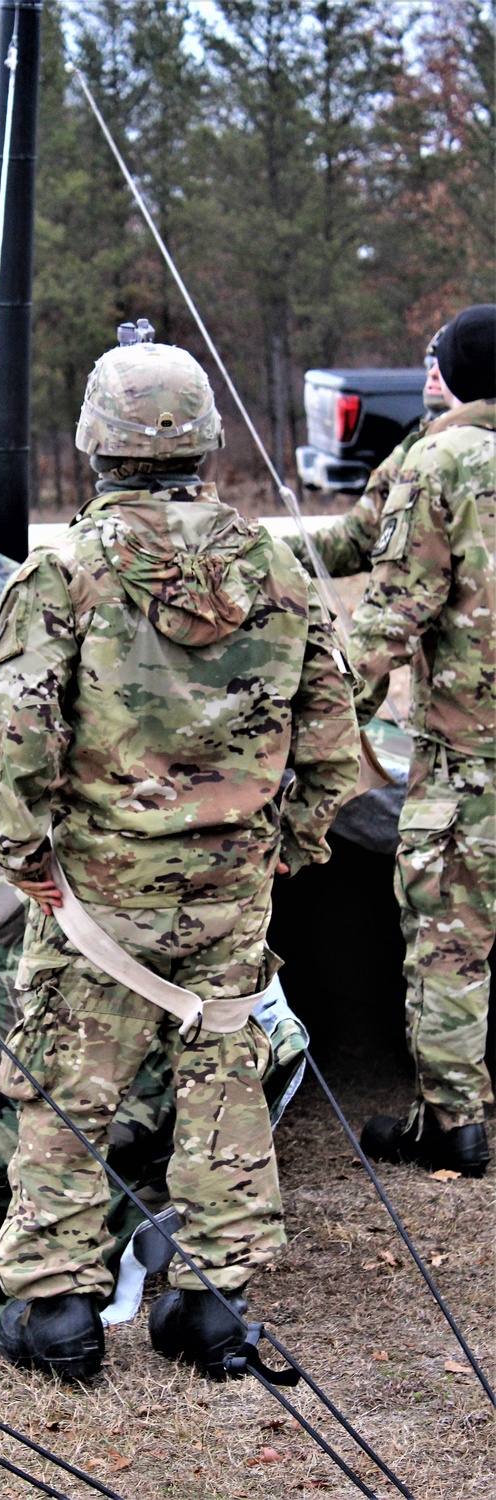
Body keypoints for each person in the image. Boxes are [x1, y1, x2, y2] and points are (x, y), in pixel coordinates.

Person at [0, 337, 360, 1382]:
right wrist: (289, 841)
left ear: (96, 439)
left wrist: (26, 860)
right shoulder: (276, 565)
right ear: (201, 437)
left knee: (68, 1087)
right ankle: (213, 1304)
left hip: (96, 894)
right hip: (230, 891)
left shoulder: (63, 570)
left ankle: (56, 1316)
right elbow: (334, 736)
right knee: (223, 1082)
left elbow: (22, 734)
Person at [350, 305, 496, 1177]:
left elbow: (391, 615)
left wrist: (322, 731)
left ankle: (454, 1124)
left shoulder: (439, 462)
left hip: (471, 759)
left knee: (449, 937)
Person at [287, 327, 451, 578]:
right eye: (431, 363)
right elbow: (354, 539)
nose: (433, 373)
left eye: (448, 364)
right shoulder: (413, 453)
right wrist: (274, 553)